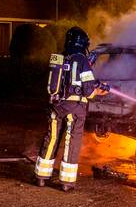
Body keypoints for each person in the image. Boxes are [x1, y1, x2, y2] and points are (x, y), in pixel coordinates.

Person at [34, 26, 108, 191]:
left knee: (51, 138)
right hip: (75, 108)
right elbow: (88, 90)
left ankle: (41, 177)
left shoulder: (59, 57)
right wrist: (98, 91)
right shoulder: (82, 60)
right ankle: (66, 183)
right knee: (72, 141)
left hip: (56, 105)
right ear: (83, 43)